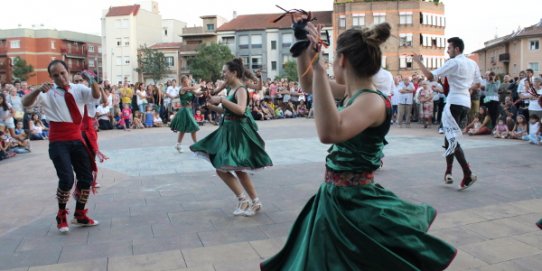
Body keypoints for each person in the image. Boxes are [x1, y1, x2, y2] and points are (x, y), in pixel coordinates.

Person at [261, 22, 456, 271]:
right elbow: (310, 86)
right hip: (338, 197)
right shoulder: (353, 93)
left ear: (341, 60)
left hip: (355, 203)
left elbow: (330, 132)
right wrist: (302, 50)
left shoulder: (372, 101)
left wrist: (319, 70)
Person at [21, 60, 100, 233]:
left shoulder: (78, 89)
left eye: (62, 73)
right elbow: (25, 103)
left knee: (86, 178)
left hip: (77, 139)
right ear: (51, 77)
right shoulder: (47, 92)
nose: (60, 77)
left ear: (68, 71)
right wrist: (36, 90)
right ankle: (61, 214)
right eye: (55, 75)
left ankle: (80, 214)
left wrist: (93, 81)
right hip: (58, 141)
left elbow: (95, 95)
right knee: (66, 179)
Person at [190, 58, 273, 217]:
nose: (223, 75)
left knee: (232, 169)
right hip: (228, 130)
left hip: (237, 132)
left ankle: (251, 201)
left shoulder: (241, 89)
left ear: (234, 73)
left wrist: (221, 100)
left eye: (225, 72)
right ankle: (246, 200)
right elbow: (227, 111)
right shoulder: (231, 89)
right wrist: (213, 106)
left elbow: (241, 110)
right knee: (225, 169)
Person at [414, 37, 481, 190]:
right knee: (449, 137)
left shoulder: (454, 62)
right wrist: (466, 88)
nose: (447, 50)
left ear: (457, 49)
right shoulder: (472, 63)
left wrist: (418, 62)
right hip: (465, 103)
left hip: (453, 103)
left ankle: (467, 173)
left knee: (452, 140)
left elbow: (431, 76)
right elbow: (478, 84)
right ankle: (448, 172)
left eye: (449, 48)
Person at [170, 75, 201, 153]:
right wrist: (201, 84)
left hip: (189, 110)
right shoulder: (182, 89)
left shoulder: (189, 90)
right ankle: (196, 145)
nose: (188, 82)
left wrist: (206, 92)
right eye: (186, 81)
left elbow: (197, 93)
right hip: (185, 110)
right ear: (183, 82)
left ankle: (178, 144)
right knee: (193, 127)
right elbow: (194, 88)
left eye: (188, 81)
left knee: (183, 129)